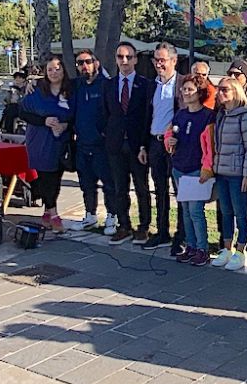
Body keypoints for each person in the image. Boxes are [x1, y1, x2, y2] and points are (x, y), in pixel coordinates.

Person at [102, 42, 154, 245]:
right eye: (120, 57)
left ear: (135, 59)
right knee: (119, 187)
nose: (124, 61)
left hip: (137, 145)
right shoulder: (109, 85)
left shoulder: (146, 84)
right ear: (116, 59)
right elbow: (104, 114)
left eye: (129, 57)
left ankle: (143, 227)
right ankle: (124, 225)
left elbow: (147, 116)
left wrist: (144, 144)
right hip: (115, 144)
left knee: (141, 187)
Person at [19, 55, 75, 234]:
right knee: (46, 177)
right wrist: (44, 121)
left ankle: (46, 212)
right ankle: (54, 214)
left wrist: (66, 125)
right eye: (50, 69)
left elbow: (76, 115)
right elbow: (22, 112)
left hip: (60, 143)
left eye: (58, 68)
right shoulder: (37, 92)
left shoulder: (71, 92)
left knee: (56, 179)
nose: (54, 72)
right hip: (40, 142)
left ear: (64, 70)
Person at [164, 75, 216, 266]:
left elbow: (210, 145)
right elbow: (169, 134)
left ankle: (203, 249)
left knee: (196, 210)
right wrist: (169, 142)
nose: (185, 93)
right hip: (180, 168)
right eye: (183, 90)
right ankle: (191, 246)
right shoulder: (180, 114)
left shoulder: (208, 115)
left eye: (189, 90)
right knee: (185, 211)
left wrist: (207, 167)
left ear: (200, 92)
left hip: (197, 169)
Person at [142, 42, 186, 251]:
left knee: (180, 192)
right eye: (156, 60)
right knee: (159, 189)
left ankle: (181, 236)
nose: (159, 64)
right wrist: (144, 146)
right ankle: (162, 231)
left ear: (174, 61)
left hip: (175, 145)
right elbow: (145, 117)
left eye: (163, 60)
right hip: (155, 143)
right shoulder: (151, 86)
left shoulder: (183, 84)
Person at [211, 77, 247, 271]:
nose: (220, 93)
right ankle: (227, 248)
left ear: (235, 91)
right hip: (221, 171)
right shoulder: (221, 114)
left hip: (238, 173)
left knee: (241, 213)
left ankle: (241, 250)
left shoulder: (245, 116)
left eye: (225, 90)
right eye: (218, 89)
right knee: (225, 212)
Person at [74, 49, 118, 236]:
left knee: (109, 183)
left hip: (101, 146)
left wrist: (105, 135)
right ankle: (90, 216)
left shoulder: (106, 85)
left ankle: (112, 216)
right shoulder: (76, 86)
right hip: (82, 144)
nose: (84, 66)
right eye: (80, 63)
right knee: (86, 184)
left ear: (96, 63)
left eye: (88, 61)